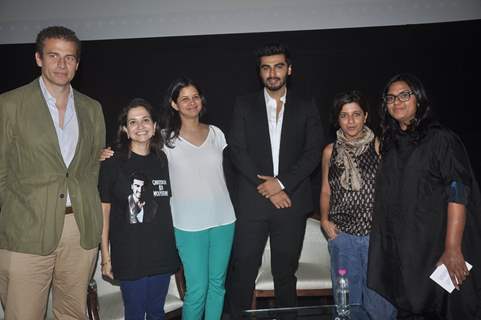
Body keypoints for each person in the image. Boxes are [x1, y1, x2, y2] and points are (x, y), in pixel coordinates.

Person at [0, 26, 105, 319]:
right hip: (26, 229)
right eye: (54, 56)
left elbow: (91, 169)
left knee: (73, 313)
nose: (62, 64)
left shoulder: (92, 108)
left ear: (77, 64)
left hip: (80, 229)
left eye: (69, 58)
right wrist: (14, 215)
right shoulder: (9, 105)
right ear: (38, 58)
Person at [367, 73, 481, 319]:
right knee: (409, 307)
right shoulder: (390, 143)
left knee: (443, 308)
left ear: (418, 99)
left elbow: (458, 192)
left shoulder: (441, 139)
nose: (397, 102)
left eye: (404, 95)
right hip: (406, 250)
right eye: (391, 98)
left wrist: (452, 248)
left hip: (436, 245)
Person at [227, 43, 324, 318]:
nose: (273, 72)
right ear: (260, 72)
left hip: (290, 201)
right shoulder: (244, 104)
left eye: (278, 66)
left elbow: (312, 152)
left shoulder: (306, 106)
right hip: (252, 202)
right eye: (266, 67)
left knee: (285, 273)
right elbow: (237, 150)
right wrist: (270, 189)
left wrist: (280, 184)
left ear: (289, 69)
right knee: (243, 270)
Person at [162, 77, 236, 320]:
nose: (191, 102)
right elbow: (134, 155)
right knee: (197, 289)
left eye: (195, 97)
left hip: (224, 219)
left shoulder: (216, 133)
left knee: (217, 286)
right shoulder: (164, 139)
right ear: (174, 105)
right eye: (184, 98)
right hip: (187, 224)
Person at [99, 98, 179, 320]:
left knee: (156, 312)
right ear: (125, 129)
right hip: (130, 254)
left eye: (145, 120)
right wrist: (106, 257)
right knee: (134, 313)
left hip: (161, 252)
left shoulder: (162, 159)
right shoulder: (112, 162)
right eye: (132, 122)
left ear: (154, 126)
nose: (140, 126)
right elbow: (104, 213)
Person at [320, 90, 396, 319]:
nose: (350, 121)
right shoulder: (330, 151)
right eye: (344, 115)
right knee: (347, 302)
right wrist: (324, 220)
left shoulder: (380, 147)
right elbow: (326, 190)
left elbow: (393, 191)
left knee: (380, 300)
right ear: (337, 119)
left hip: (376, 237)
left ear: (365, 116)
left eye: (356, 114)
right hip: (342, 237)